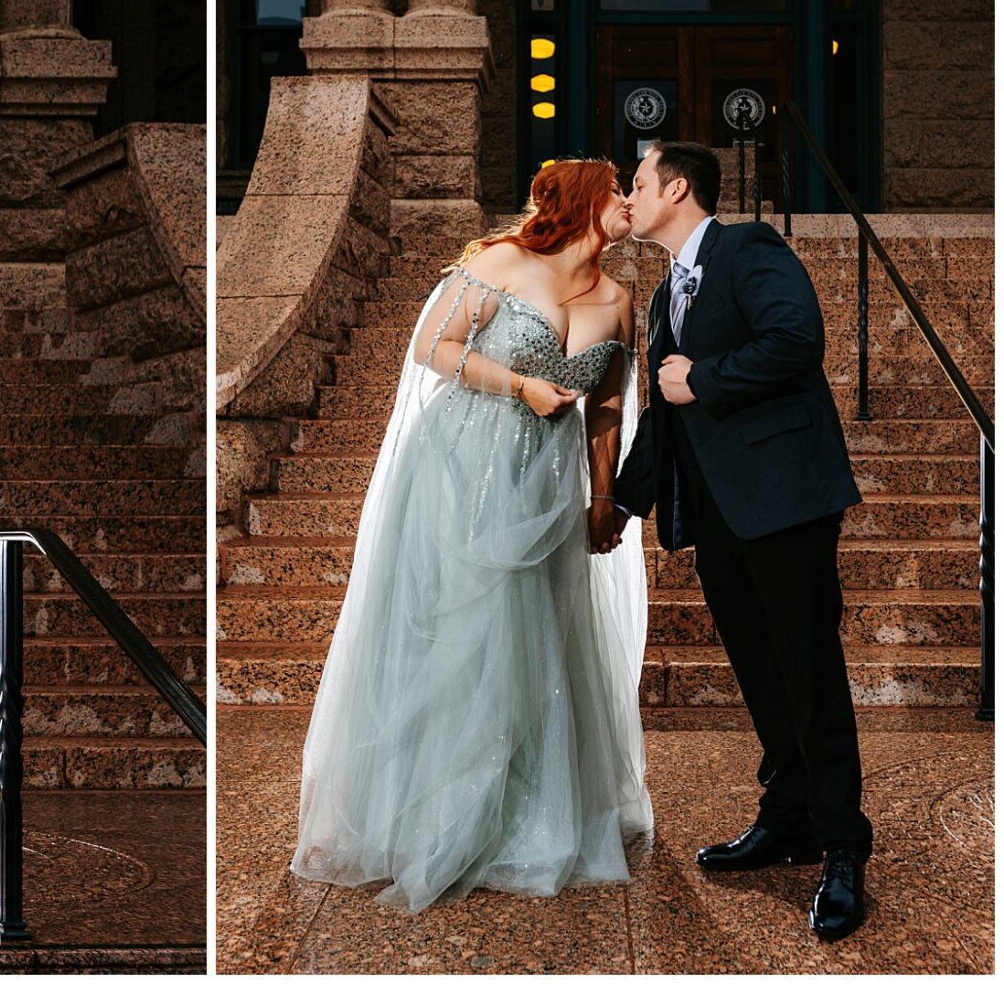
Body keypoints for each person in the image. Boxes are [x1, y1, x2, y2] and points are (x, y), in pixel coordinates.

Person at [290, 159, 655, 912]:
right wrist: (519, 383)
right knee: (463, 627)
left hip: (548, 482)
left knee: (535, 636)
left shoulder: (620, 301)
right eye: (618, 189)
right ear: (588, 200)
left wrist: (604, 497)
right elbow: (435, 347)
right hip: (460, 466)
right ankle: (429, 812)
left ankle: (524, 814)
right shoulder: (503, 262)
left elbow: (610, 408)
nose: (628, 202)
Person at [610, 140, 870, 941]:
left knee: (808, 669)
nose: (630, 194)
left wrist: (705, 378)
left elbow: (798, 341)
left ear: (678, 188)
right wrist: (618, 506)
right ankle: (787, 818)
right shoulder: (662, 299)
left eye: (640, 183)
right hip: (719, 513)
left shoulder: (748, 246)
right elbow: (666, 413)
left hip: (787, 500)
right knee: (761, 671)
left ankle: (842, 847)